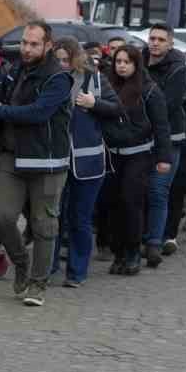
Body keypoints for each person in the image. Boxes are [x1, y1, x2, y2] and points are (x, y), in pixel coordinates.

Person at [0, 21, 73, 306]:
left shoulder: (58, 78)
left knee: (44, 224)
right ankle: (21, 261)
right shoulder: (16, 69)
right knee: (2, 217)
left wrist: (1, 110)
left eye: (34, 44)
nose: (27, 48)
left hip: (47, 161)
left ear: (48, 46)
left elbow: (38, 113)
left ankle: (37, 284)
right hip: (12, 156)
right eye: (24, 42)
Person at [90, 44, 173, 275]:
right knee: (112, 205)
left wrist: (164, 157)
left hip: (139, 154)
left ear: (136, 65)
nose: (122, 66)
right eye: (118, 61)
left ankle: (133, 253)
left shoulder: (149, 90)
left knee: (131, 203)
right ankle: (118, 254)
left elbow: (162, 126)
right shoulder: (107, 87)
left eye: (127, 62)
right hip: (112, 155)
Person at [51, 37, 108, 288]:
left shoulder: (94, 78)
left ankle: (77, 271)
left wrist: (95, 104)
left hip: (88, 162)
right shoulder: (49, 78)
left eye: (66, 59)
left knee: (80, 218)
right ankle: (47, 267)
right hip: (56, 159)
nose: (62, 64)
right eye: (58, 59)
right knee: (51, 217)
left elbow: (117, 109)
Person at [144, 24, 186, 266]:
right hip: (139, 138)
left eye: (161, 39)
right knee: (138, 191)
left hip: (169, 139)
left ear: (170, 44)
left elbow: (168, 105)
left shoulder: (178, 70)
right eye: (152, 38)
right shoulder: (139, 62)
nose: (155, 43)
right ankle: (139, 238)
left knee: (158, 190)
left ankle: (155, 242)